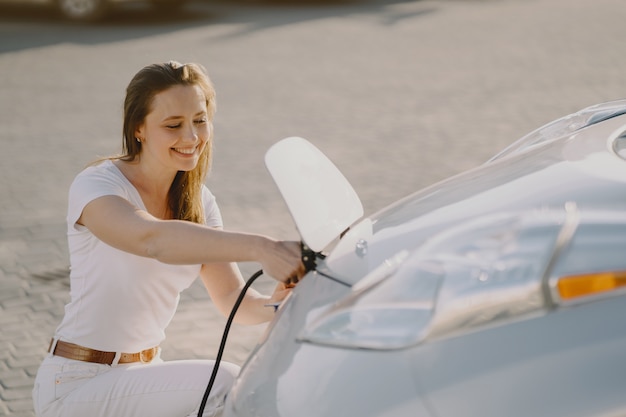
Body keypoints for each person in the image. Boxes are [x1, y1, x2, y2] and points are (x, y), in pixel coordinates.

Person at [32, 61, 305, 417]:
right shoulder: (98, 186)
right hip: (76, 382)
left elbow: (232, 300)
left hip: (145, 375)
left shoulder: (200, 202)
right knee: (223, 383)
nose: (191, 137)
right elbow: (152, 239)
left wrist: (282, 304)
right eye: (173, 125)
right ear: (139, 129)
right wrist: (261, 247)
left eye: (200, 120)